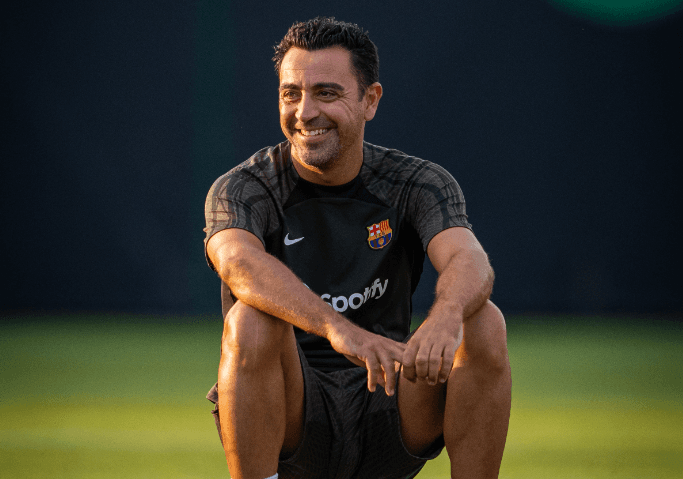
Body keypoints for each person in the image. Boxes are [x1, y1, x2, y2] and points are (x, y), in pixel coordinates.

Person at [203, 17, 511, 479]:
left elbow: (469, 259)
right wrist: (337, 329)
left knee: (482, 321)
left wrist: (446, 315)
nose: (305, 112)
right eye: (291, 94)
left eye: (326, 93)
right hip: (290, 416)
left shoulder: (416, 181)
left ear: (370, 100)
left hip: (391, 404)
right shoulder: (243, 187)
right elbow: (238, 263)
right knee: (251, 319)